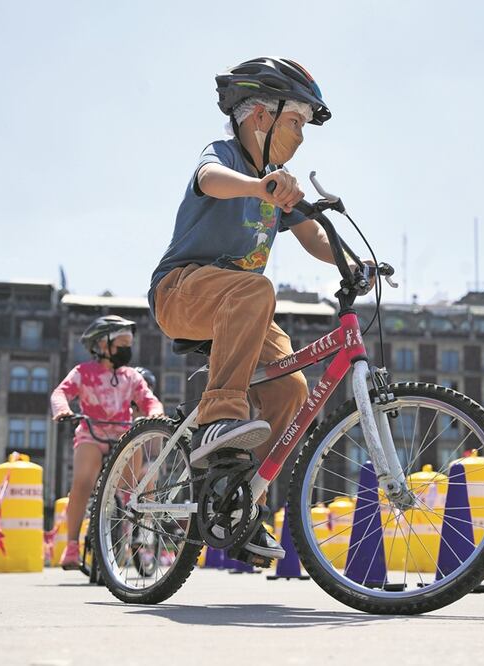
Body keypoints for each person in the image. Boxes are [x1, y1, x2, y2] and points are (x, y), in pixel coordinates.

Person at [147, 57, 364, 564]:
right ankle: (222, 417)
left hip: (241, 306)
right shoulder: (226, 155)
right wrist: (257, 186)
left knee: (291, 387)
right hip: (182, 292)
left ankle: (240, 503)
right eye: (295, 122)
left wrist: (358, 262)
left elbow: (312, 235)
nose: (302, 137)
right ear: (260, 117)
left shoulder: (277, 181)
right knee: (256, 287)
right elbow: (209, 179)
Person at [50, 315, 163, 569]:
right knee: (82, 483)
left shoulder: (131, 377)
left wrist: (155, 412)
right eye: (121, 343)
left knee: (132, 488)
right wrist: (62, 409)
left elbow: (148, 399)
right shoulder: (83, 372)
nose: (127, 349)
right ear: (103, 346)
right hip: (91, 433)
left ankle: (134, 533)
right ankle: (71, 546)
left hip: (123, 435)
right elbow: (61, 392)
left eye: (128, 343)